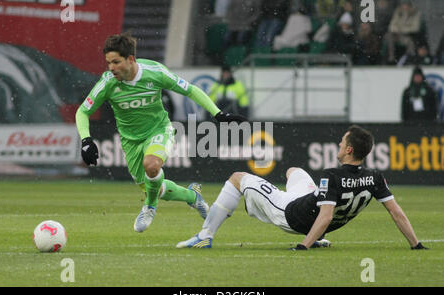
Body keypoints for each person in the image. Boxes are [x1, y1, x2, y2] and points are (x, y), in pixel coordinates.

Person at [75, 33, 246, 233]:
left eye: (116, 62)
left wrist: (218, 114)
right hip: (130, 142)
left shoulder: (155, 73)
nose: (111, 68)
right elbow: (83, 111)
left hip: (159, 130)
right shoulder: (108, 82)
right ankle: (193, 196)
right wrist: (86, 140)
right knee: (158, 187)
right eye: (108, 63)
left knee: (152, 165)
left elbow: (190, 90)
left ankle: (149, 206)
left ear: (131, 59)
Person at [177, 125, 428, 251]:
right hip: (307, 202)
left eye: (341, 143)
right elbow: (396, 213)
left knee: (237, 177)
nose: (338, 145)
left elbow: (326, 215)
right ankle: (315, 234)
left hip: (291, 214)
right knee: (293, 171)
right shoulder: (374, 177)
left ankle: (205, 235)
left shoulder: (332, 175)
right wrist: (415, 244)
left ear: (349, 149)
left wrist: (304, 245)